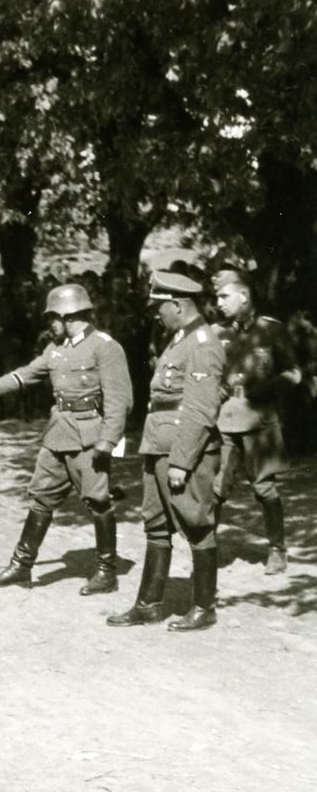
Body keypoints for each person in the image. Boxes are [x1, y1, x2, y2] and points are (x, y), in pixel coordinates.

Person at [0, 284, 134, 595]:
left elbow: (121, 401)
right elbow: (23, 375)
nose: (49, 324)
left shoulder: (104, 347)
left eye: (52, 318)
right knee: (41, 497)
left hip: (89, 438)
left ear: (68, 316)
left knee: (98, 501)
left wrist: (107, 442)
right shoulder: (56, 349)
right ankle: (21, 566)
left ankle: (107, 572)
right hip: (58, 434)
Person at [108, 269, 225, 631]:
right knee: (156, 525)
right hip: (159, 445)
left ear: (177, 304)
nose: (155, 313)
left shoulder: (203, 344)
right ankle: (148, 604)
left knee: (195, 524)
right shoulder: (179, 339)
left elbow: (201, 410)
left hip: (180, 451)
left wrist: (181, 461)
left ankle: (204, 607)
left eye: (159, 306)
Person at [211, 267, 301, 574]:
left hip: (258, 419)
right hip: (224, 418)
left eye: (224, 296)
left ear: (244, 296)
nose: (219, 302)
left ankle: (277, 548)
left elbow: (293, 372)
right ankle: (206, 546)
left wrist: (269, 389)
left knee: (263, 489)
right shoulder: (216, 333)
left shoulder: (271, 330)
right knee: (217, 484)